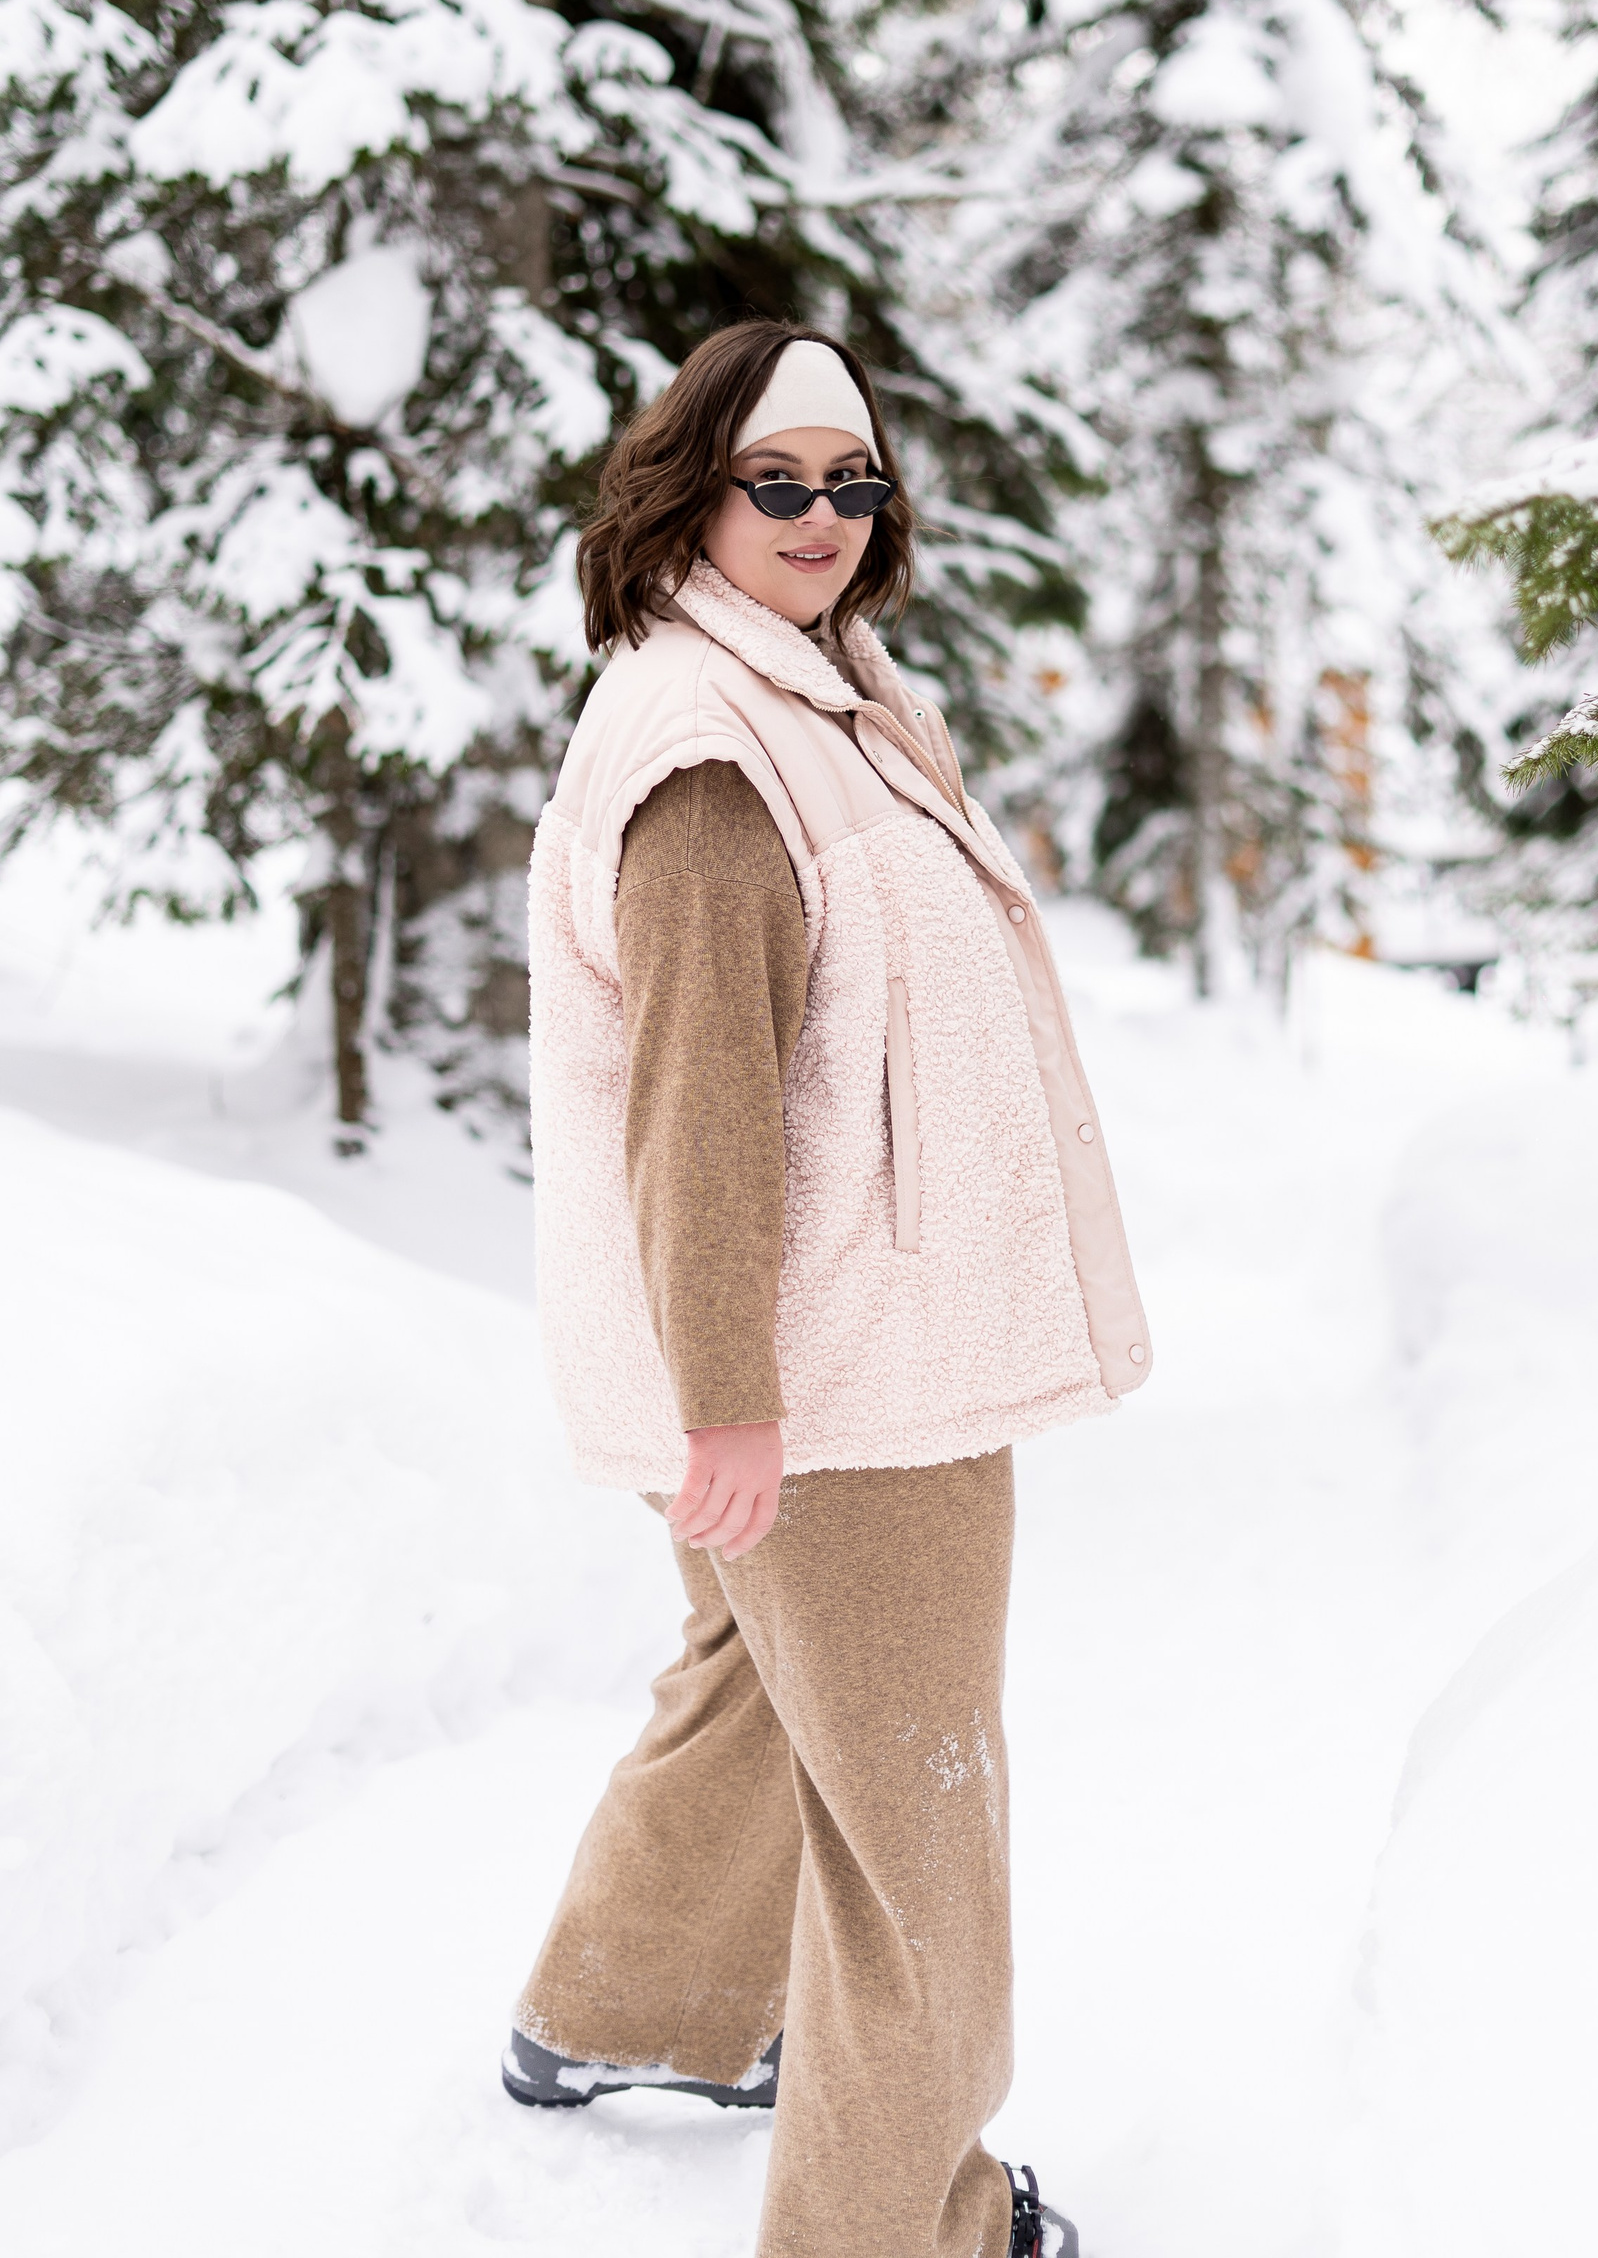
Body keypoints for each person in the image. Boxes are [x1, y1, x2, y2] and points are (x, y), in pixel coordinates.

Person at [505, 319, 1152, 2258]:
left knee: (759, 1687)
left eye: (851, 481)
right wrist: (731, 1396)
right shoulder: (716, 760)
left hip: (814, 1351)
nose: (820, 515)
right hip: (845, 1374)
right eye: (775, 480)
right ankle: (902, 2227)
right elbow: (699, 1105)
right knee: (915, 1830)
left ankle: (632, 2007)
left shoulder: (804, 690)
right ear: (690, 488)